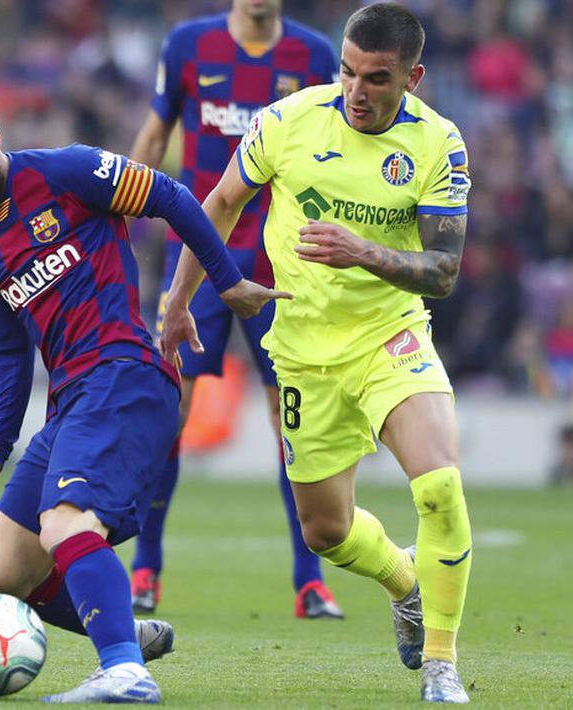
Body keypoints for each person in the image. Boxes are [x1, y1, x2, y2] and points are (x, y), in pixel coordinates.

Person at [0, 82, 286, 704]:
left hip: (124, 373)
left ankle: (126, 671)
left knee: (64, 523)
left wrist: (225, 280)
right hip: (70, 402)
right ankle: (120, 629)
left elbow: (172, 196)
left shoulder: (68, 171)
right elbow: (8, 349)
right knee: (2, 572)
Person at [160, 4, 473, 703]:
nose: (356, 92)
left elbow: (445, 271)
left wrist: (362, 252)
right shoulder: (288, 120)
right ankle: (404, 582)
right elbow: (218, 203)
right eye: (347, 72)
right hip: (300, 349)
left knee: (438, 485)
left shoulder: (438, 144)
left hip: (388, 336)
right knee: (326, 531)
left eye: (376, 79)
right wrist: (179, 300)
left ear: (412, 79)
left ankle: (442, 666)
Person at [127, 0, 343, 620]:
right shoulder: (187, 46)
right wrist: (117, 209)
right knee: (173, 409)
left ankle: (310, 580)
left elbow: (334, 151)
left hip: (279, 262)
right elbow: (155, 135)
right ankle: (146, 570)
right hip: (195, 255)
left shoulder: (315, 56)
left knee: (291, 421)